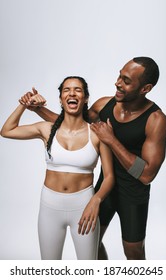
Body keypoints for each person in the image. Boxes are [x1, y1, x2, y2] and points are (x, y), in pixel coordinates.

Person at [19, 57, 166, 260]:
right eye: (119, 76)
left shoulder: (156, 120)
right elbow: (71, 125)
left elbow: (146, 175)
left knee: (133, 251)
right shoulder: (104, 105)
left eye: (126, 80)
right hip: (105, 187)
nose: (117, 82)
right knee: (92, 242)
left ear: (145, 88)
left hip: (133, 194)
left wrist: (111, 139)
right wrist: (37, 109)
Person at [0, 76, 115, 260]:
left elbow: (109, 177)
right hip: (50, 206)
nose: (72, 93)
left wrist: (96, 201)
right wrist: (24, 103)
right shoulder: (46, 129)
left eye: (78, 90)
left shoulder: (96, 133)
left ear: (85, 98)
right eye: (66, 90)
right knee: (50, 269)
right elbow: (7, 131)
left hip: (84, 206)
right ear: (61, 98)